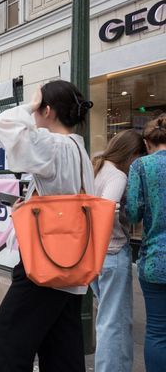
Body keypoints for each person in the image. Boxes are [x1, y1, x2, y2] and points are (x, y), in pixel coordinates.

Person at [0, 80, 94, 372]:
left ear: (47, 110)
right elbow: (61, 198)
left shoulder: (53, 145)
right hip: (72, 264)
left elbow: (1, 124)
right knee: (62, 350)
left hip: (46, 262)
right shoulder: (78, 149)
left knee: (4, 343)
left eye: (38, 108)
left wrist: (31, 103)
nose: (33, 116)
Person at [90, 129, 144, 372]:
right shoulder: (117, 176)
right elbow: (106, 208)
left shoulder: (96, 166)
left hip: (93, 255)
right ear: (131, 154)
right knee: (116, 324)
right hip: (112, 253)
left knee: (106, 321)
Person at [126, 114, 166, 372]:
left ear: (147, 142)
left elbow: (133, 212)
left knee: (157, 331)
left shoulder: (141, 167)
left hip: (155, 260)